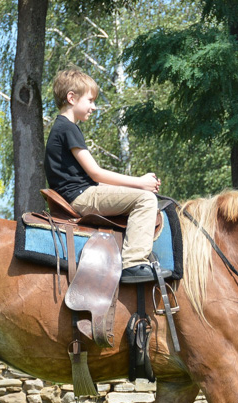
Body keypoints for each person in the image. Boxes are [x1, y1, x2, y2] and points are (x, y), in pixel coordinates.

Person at [44, 68, 168, 284]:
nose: (94, 106)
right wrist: (141, 184)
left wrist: (138, 186)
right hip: (81, 196)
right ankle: (132, 263)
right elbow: (96, 172)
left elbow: (94, 178)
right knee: (147, 200)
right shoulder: (68, 128)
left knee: (141, 194)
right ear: (71, 98)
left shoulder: (62, 128)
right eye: (90, 100)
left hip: (82, 192)